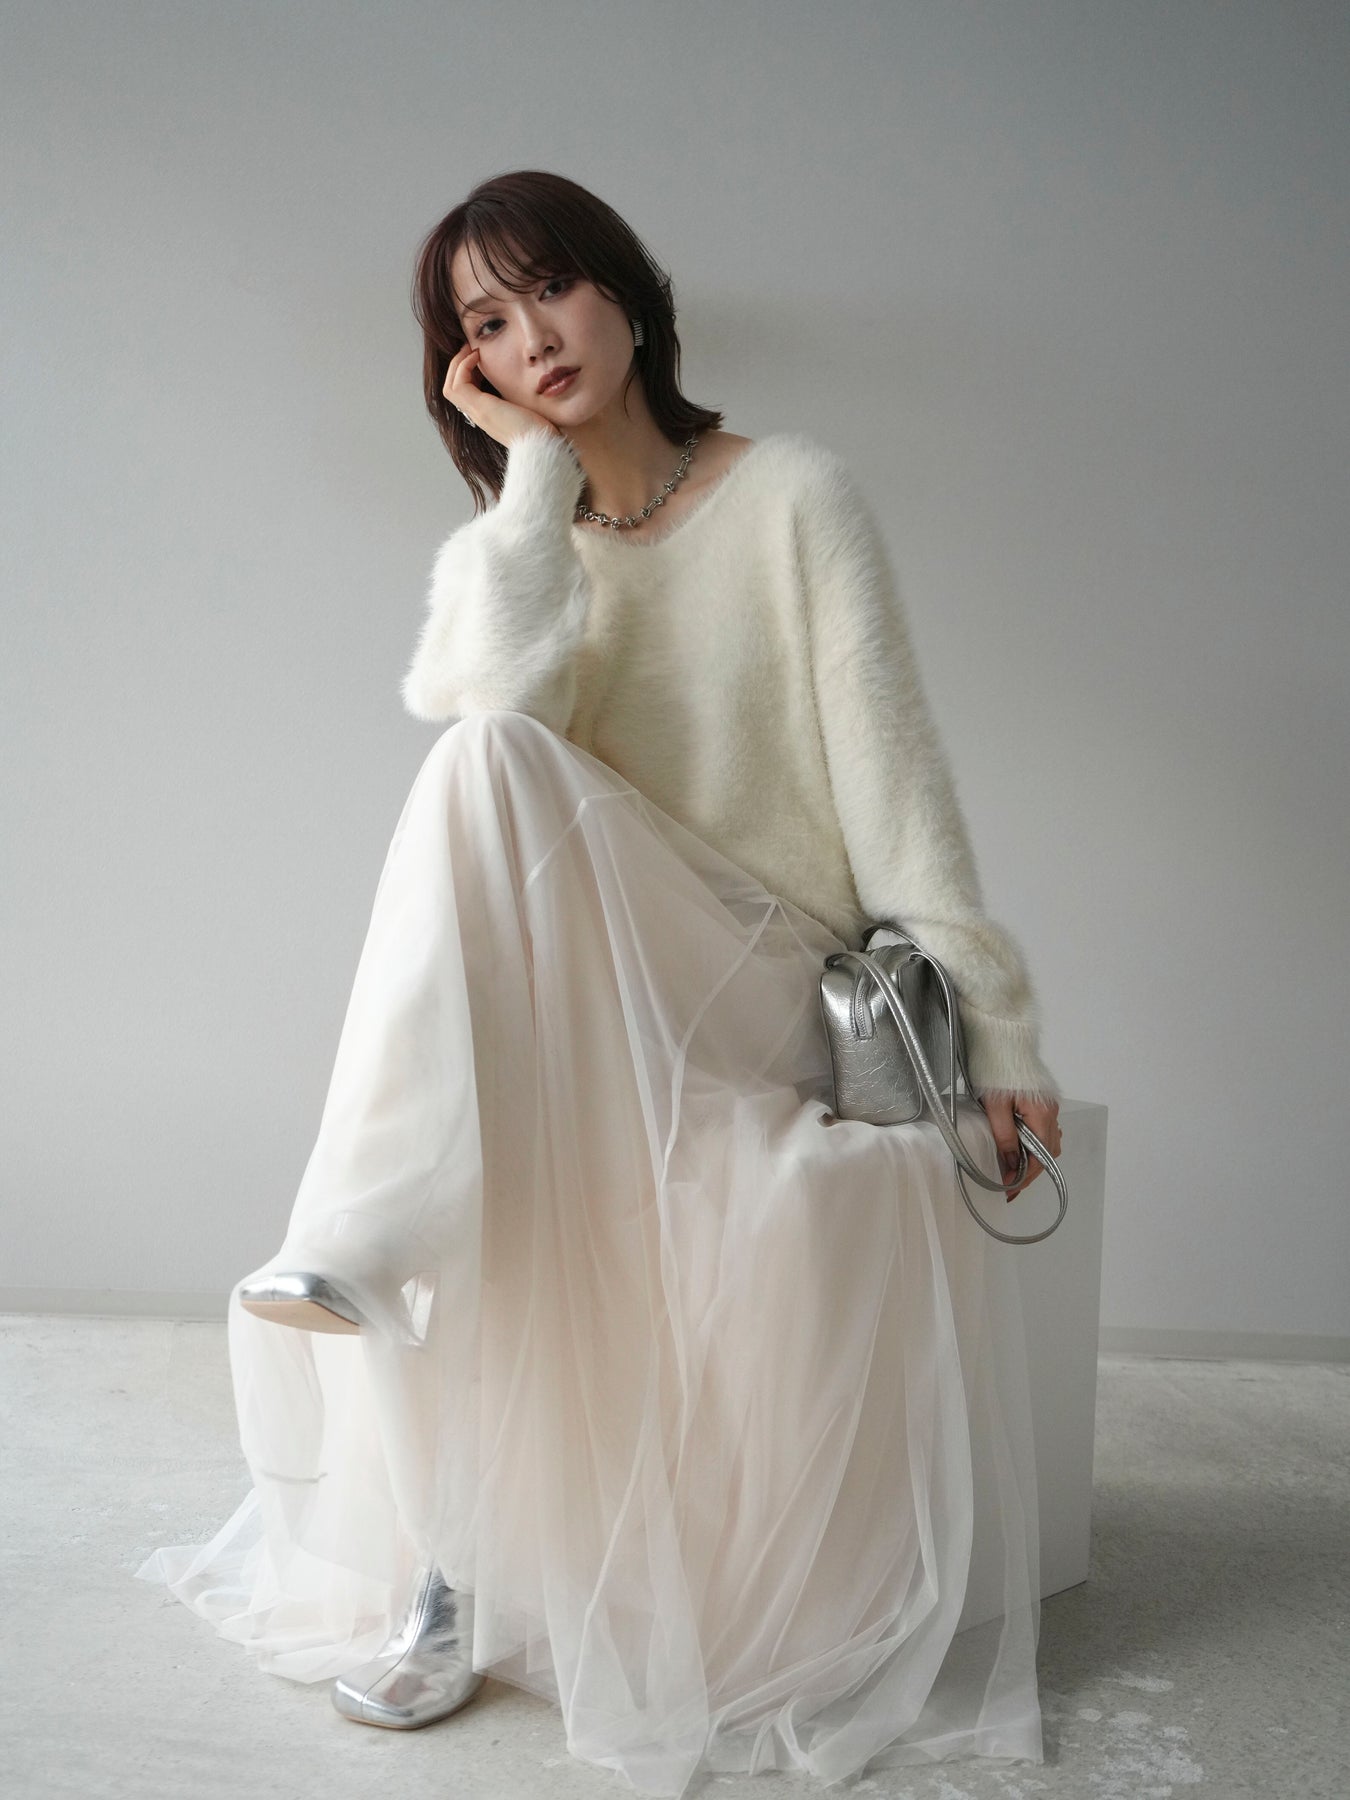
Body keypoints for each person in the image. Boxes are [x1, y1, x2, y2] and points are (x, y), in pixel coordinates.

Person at [135, 169, 1064, 1798]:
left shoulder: (794, 497)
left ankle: (364, 1244)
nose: (534, 339)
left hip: (766, 969)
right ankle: (452, 1562)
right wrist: (528, 488)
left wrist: (996, 1025)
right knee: (485, 760)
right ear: (467, 372)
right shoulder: (525, 542)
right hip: (604, 988)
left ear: (626, 289)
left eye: (550, 289)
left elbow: (896, 781)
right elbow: (486, 721)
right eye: (485, 326)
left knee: (486, 772)